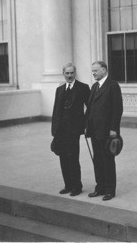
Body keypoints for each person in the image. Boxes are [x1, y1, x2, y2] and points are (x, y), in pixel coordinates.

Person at [85, 61, 123, 201]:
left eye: (96, 70)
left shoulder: (112, 85)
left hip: (107, 131)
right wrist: (86, 126)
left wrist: (113, 128)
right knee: (98, 160)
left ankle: (109, 190)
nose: (93, 73)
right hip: (95, 131)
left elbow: (117, 109)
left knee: (108, 160)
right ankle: (99, 187)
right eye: (92, 71)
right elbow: (90, 109)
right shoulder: (94, 86)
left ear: (104, 70)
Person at [51, 63, 90, 196]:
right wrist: (54, 131)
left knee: (73, 158)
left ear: (75, 73)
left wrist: (83, 124)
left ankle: (77, 186)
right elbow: (56, 111)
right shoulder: (60, 89)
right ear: (63, 73)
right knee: (63, 158)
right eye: (67, 73)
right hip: (61, 131)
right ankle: (67, 185)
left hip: (74, 130)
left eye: (72, 73)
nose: (69, 75)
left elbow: (90, 108)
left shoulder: (83, 88)